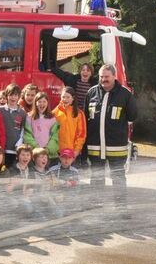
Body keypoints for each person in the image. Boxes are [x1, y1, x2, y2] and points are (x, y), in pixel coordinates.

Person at [85, 64, 137, 208]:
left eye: (107, 77)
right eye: (101, 77)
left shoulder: (125, 94)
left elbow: (133, 115)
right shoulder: (91, 93)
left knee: (118, 177)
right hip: (95, 146)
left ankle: (120, 207)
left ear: (114, 76)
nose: (103, 80)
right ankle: (95, 206)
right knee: (96, 178)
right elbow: (85, 117)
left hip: (116, 147)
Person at [53, 86, 87, 167]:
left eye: (68, 97)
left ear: (73, 98)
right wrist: (55, 150)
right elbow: (51, 133)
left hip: (72, 154)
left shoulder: (79, 113)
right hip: (58, 153)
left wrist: (76, 151)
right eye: (63, 97)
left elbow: (81, 134)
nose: (65, 99)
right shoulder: (55, 112)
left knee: (72, 178)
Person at [23, 92, 60, 161]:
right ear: (35, 103)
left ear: (47, 103)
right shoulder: (29, 117)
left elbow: (55, 137)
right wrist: (38, 149)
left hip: (49, 156)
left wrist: (47, 149)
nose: (42, 104)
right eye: (39, 101)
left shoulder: (53, 118)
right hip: (34, 154)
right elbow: (27, 135)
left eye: (44, 102)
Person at [0, 84, 27, 169]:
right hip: (2, 149)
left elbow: (23, 130)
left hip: (15, 149)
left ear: (19, 97)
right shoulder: (0, 110)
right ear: (7, 96)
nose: (13, 98)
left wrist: (19, 143)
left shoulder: (22, 113)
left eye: (15, 95)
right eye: (11, 95)